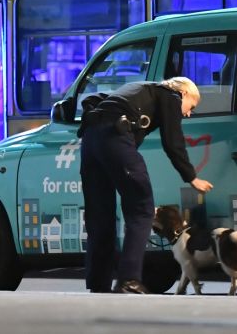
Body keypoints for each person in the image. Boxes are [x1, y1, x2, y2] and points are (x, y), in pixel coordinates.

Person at [78, 77, 213, 294]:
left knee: (99, 214)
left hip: (90, 139)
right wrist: (191, 177)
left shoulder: (139, 88)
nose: (188, 113)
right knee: (142, 209)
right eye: (191, 107)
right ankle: (129, 280)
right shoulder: (170, 95)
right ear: (184, 94)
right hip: (115, 135)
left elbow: (97, 101)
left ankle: (98, 282)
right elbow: (173, 141)